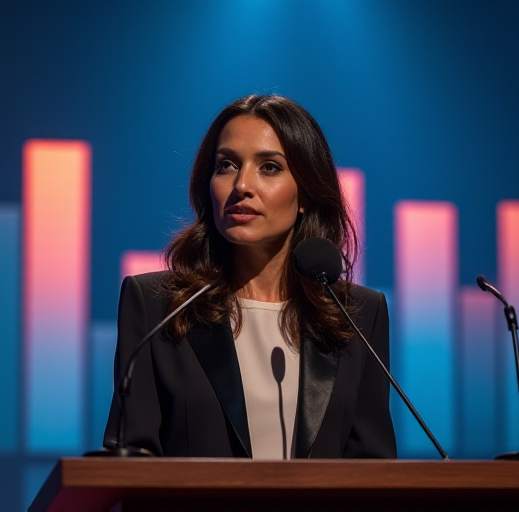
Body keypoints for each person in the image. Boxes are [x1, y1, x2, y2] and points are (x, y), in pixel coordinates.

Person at [102, 94, 396, 459]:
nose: (241, 185)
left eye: (269, 167)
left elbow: (373, 469)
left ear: (305, 193)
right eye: (226, 165)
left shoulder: (360, 316)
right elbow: (130, 460)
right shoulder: (156, 306)